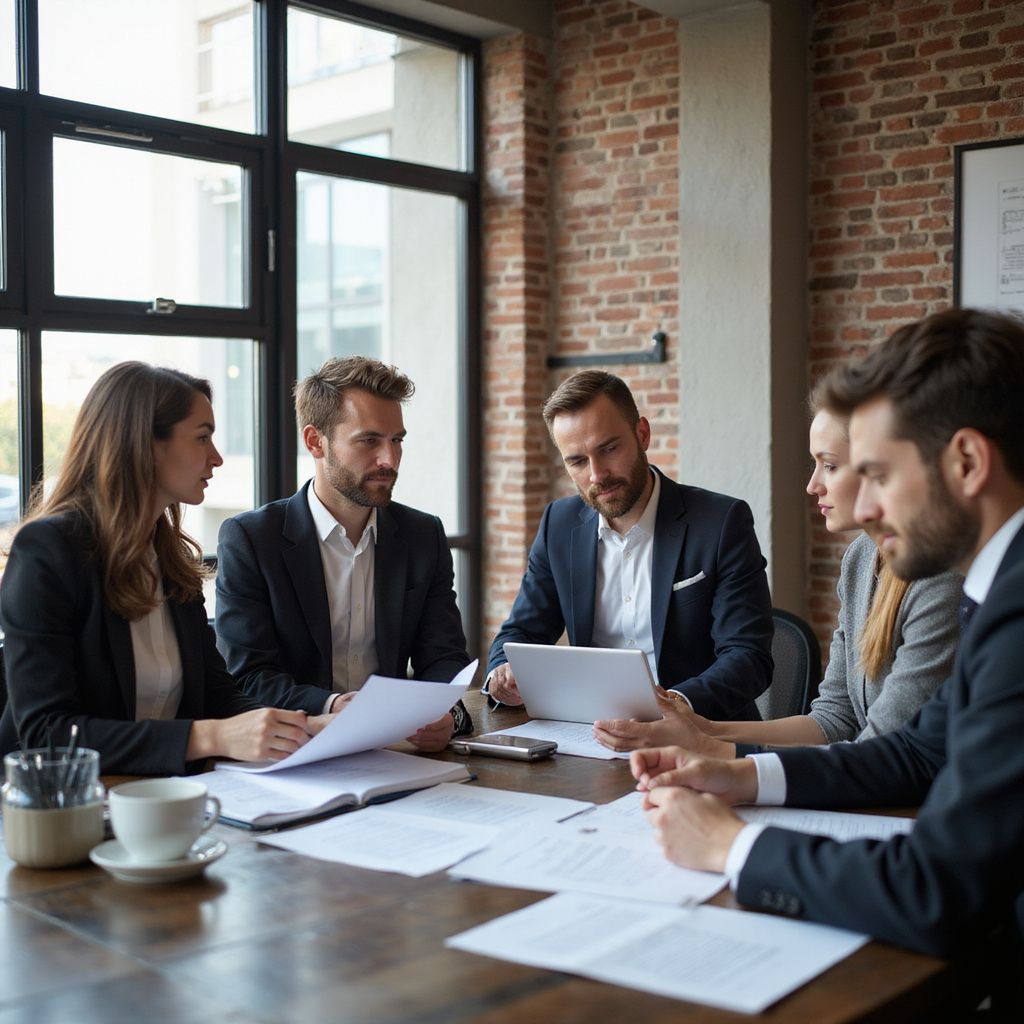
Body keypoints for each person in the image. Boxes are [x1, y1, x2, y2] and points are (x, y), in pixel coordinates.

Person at [634, 308, 1024, 1005]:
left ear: (966, 462)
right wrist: (744, 780)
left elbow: (935, 891)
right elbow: (920, 754)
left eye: (875, 473)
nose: (864, 507)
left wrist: (731, 847)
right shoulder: (1001, 584)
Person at [0, 362, 321, 776]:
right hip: (64, 809)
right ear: (146, 445)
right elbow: (47, 732)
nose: (217, 458)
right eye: (203, 438)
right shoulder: (48, 551)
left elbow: (219, 695)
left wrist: (302, 727)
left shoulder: (167, 556)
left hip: (166, 798)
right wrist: (210, 737)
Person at [594, 398, 962, 754]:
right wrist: (697, 728)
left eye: (830, 466)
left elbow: (884, 751)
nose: (813, 484)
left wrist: (714, 752)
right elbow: (834, 719)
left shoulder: (939, 577)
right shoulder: (861, 558)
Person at [215, 356, 472, 752]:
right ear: (316, 442)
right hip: (294, 752)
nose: (389, 459)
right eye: (369, 440)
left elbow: (444, 658)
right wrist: (332, 705)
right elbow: (249, 676)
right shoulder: (251, 539)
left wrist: (445, 716)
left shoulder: (424, 535)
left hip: (395, 753)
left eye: (397, 440)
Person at [486, 370, 773, 720]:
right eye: (577, 461)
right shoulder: (558, 525)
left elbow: (748, 655)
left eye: (608, 449)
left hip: (701, 733)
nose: (597, 475)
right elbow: (521, 632)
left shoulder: (722, 522)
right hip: (593, 734)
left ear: (642, 434)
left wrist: (675, 706)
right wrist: (502, 671)